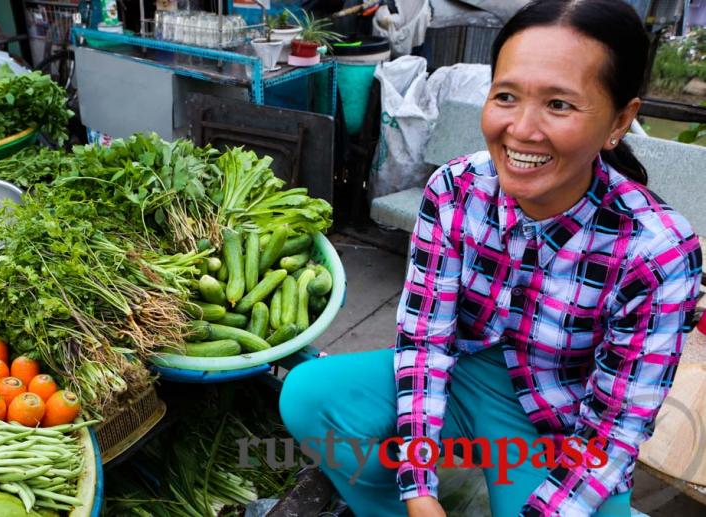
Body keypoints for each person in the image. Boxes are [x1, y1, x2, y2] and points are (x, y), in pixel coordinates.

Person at [279, 1, 703, 516]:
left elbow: (615, 431)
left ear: (619, 121)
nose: (522, 130)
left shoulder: (656, 251)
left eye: (560, 105)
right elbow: (424, 344)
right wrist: (418, 489)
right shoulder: (455, 190)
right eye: (506, 96)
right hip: (461, 374)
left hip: (557, 418)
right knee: (310, 399)